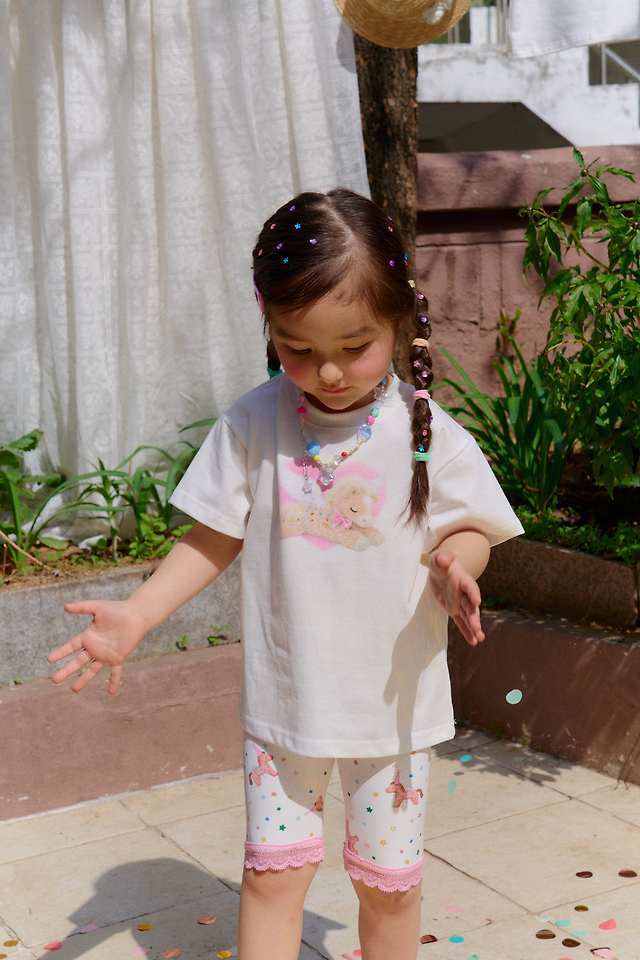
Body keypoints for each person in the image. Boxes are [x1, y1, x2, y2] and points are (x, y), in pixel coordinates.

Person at [47, 188, 525, 960]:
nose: (327, 371)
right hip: (287, 707)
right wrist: (138, 614)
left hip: (390, 716)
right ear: (270, 326)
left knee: (390, 890)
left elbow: (470, 529)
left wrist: (456, 564)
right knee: (272, 881)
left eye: (354, 345)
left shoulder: (427, 433)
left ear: (399, 323)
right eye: (298, 348)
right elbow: (214, 537)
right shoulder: (252, 425)